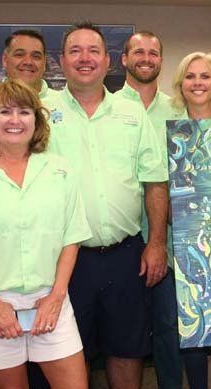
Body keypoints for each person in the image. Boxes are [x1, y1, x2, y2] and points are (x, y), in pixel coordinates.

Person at [0, 79, 91, 388]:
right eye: (5, 112)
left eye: (24, 112)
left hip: (50, 299)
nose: (14, 120)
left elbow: (71, 238)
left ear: (36, 122)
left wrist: (56, 296)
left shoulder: (59, 170)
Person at [49, 21, 169, 388]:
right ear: (61, 60)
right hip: (63, 258)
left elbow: (154, 182)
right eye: (75, 51)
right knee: (67, 351)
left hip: (125, 254)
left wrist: (157, 243)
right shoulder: (40, 114)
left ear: (108, 61)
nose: (85, 59)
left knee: (127, 348)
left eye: (93, 51)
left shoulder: (132, 115)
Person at [114, 30, 182, 389]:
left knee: (169, 328)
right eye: (137, 52)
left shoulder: (177, 109)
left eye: (153, 53)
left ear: (161, 60)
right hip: (121, 241)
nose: (146, 58)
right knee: (126, 336)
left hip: (168, 240)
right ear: (123, 59)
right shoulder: (108, 108)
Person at [170, 51, 211, 389]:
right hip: (183, 245)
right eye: (191, 77)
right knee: (193, 331)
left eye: (205, 76)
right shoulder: (169, 130)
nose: (198, 83)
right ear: (180, 84)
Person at [0, 29, 61, 118]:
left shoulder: (64, 105)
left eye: (36, 56)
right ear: (5, 60)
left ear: (44, 64)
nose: (28, 62)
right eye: (19, 54)